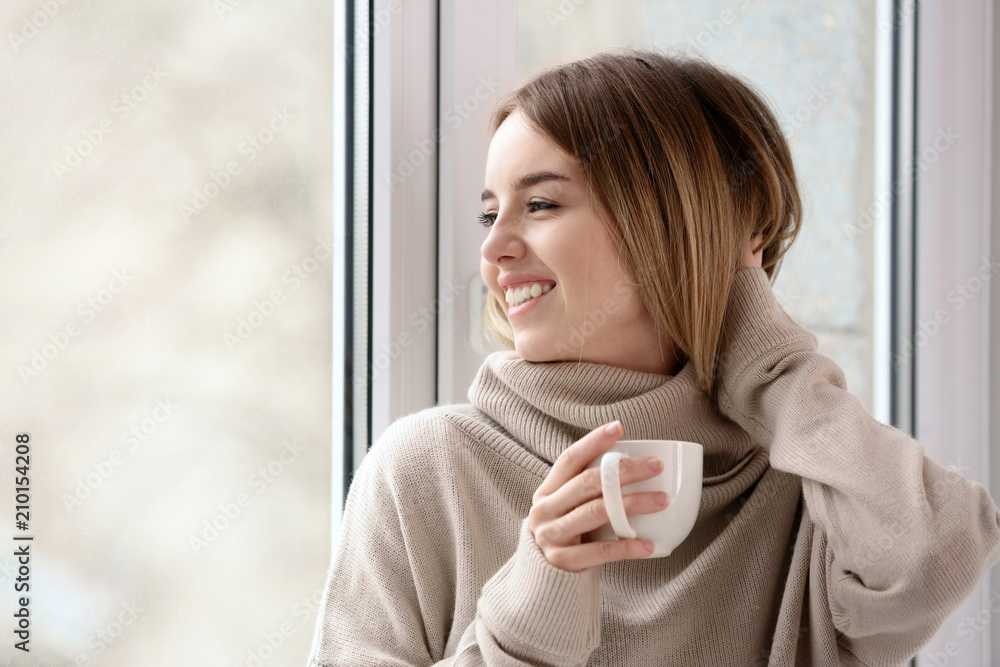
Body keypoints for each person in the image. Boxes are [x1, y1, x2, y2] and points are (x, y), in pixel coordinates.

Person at [308, 50, 1000, 665]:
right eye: (492, 213)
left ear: (679, 221)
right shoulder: (428, 471)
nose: (493, 251)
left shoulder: (815, 492)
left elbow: (934, 554)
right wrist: (525, 626)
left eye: (541, 203)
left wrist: (769, 366)